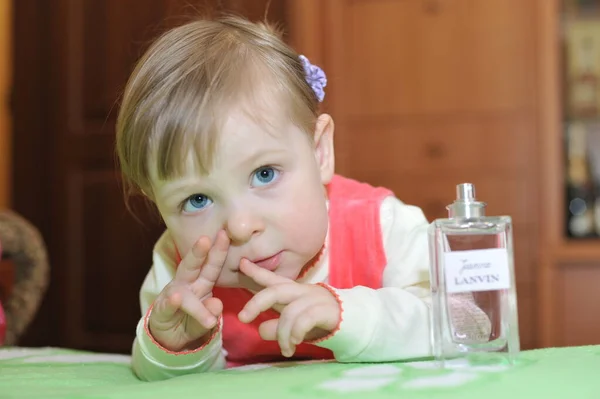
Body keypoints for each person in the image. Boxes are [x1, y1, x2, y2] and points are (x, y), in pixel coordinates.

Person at [115, 15, 491, 382]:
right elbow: (157, 377)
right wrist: (174, 346)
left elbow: (470, 323)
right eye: (197, 200)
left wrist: (351, 314)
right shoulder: (180, 267)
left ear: (319, 152)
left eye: (264, 174)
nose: (242, 226)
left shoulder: (380, 226)